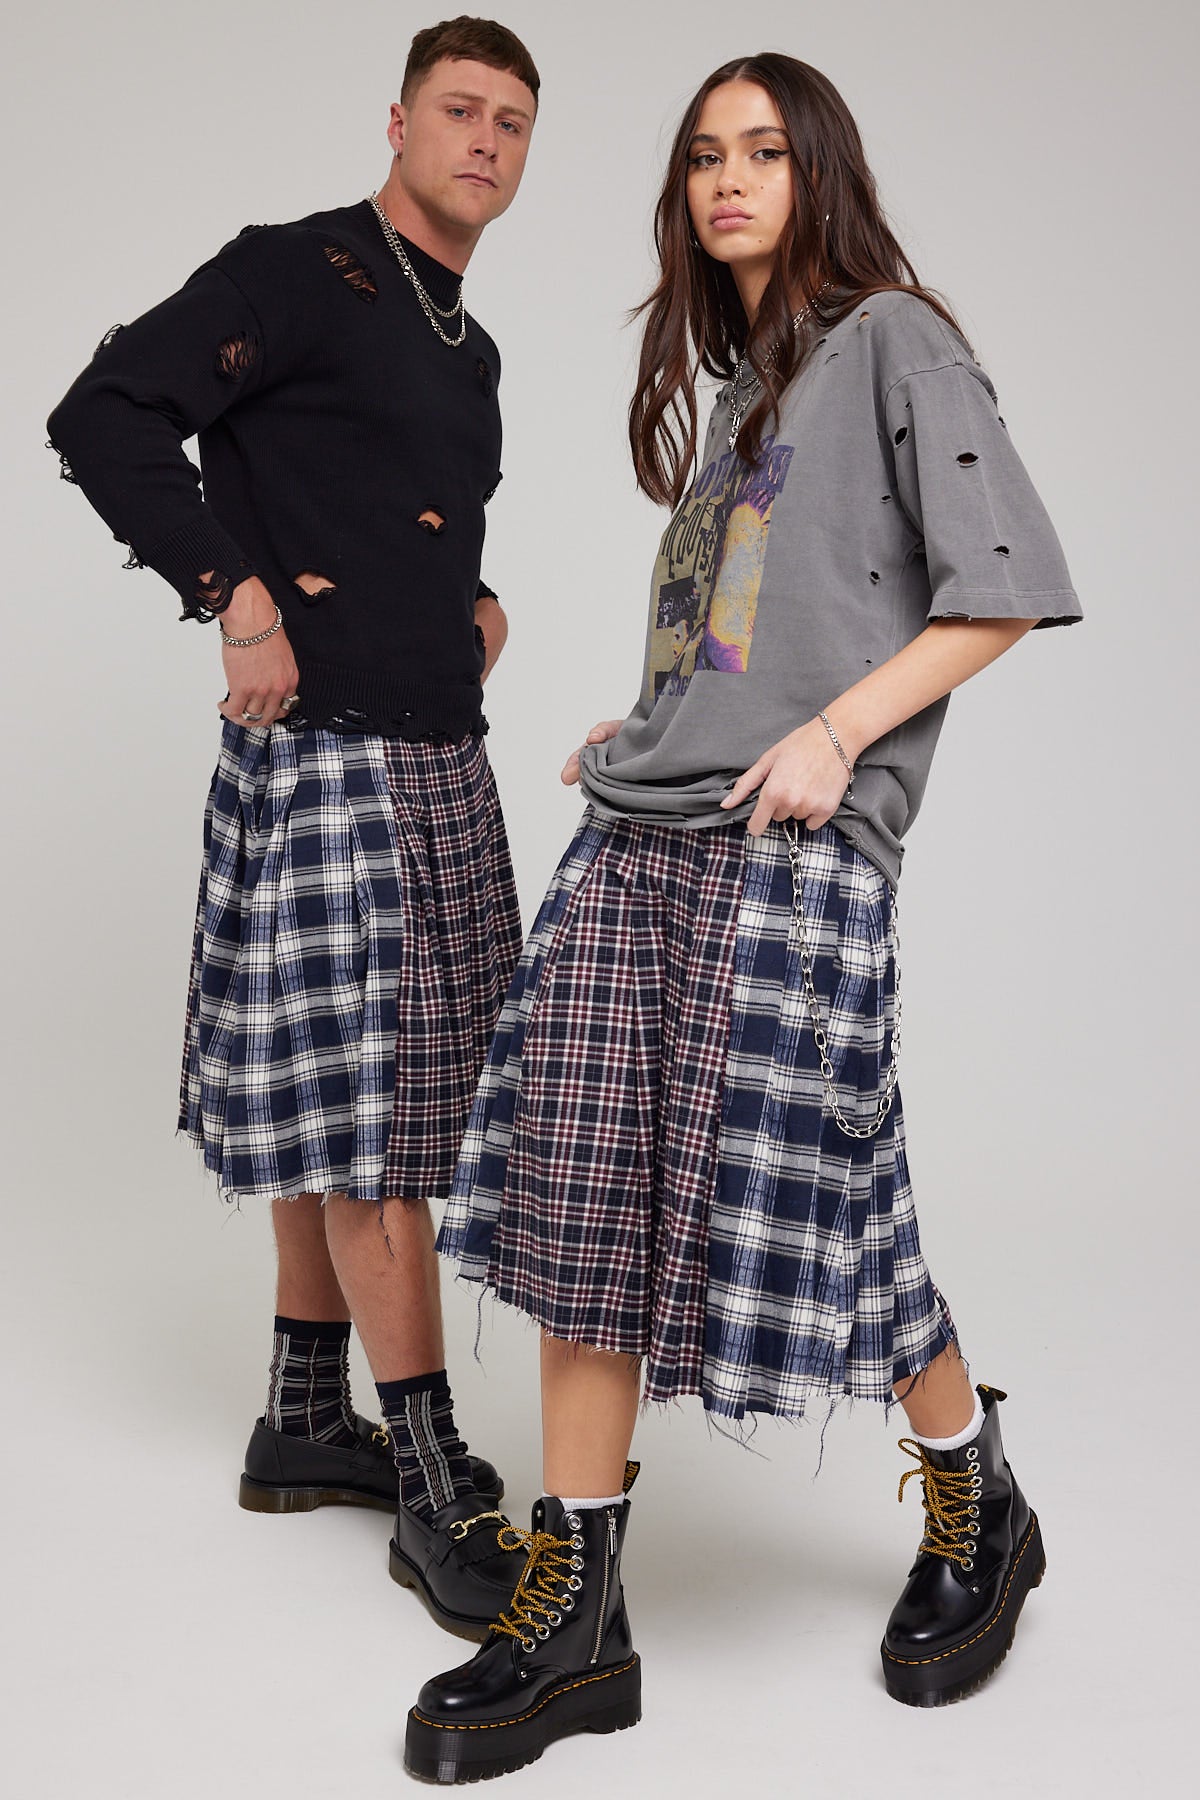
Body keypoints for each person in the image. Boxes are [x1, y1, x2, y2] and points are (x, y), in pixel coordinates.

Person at [402, 52, 1081, 1783]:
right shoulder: (740, 391)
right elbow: (753, 626)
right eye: (705, 154)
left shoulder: (895, 342)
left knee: (827, 1200)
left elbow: (1000, 588)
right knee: (578, 1196)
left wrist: (835, 736)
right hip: (642, 837)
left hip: (796, 847)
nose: (728, 180)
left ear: (817, 171)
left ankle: (978, 1499)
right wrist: (653, 728)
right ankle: (578, 1614)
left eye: (764, 152)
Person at [46, 15, 543, 1638]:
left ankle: (303, 1414)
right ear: (398, 122)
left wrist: (474, 606)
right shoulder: (292, 267)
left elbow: (399, 512)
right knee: (377, 1124)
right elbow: (105, 410)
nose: (486, 141)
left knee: (369, 1106)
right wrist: (233, 593)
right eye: (460, 110)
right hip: (332, 758)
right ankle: (432, 1477)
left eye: (513, 122)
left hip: (437, 748)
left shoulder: (468, 348)